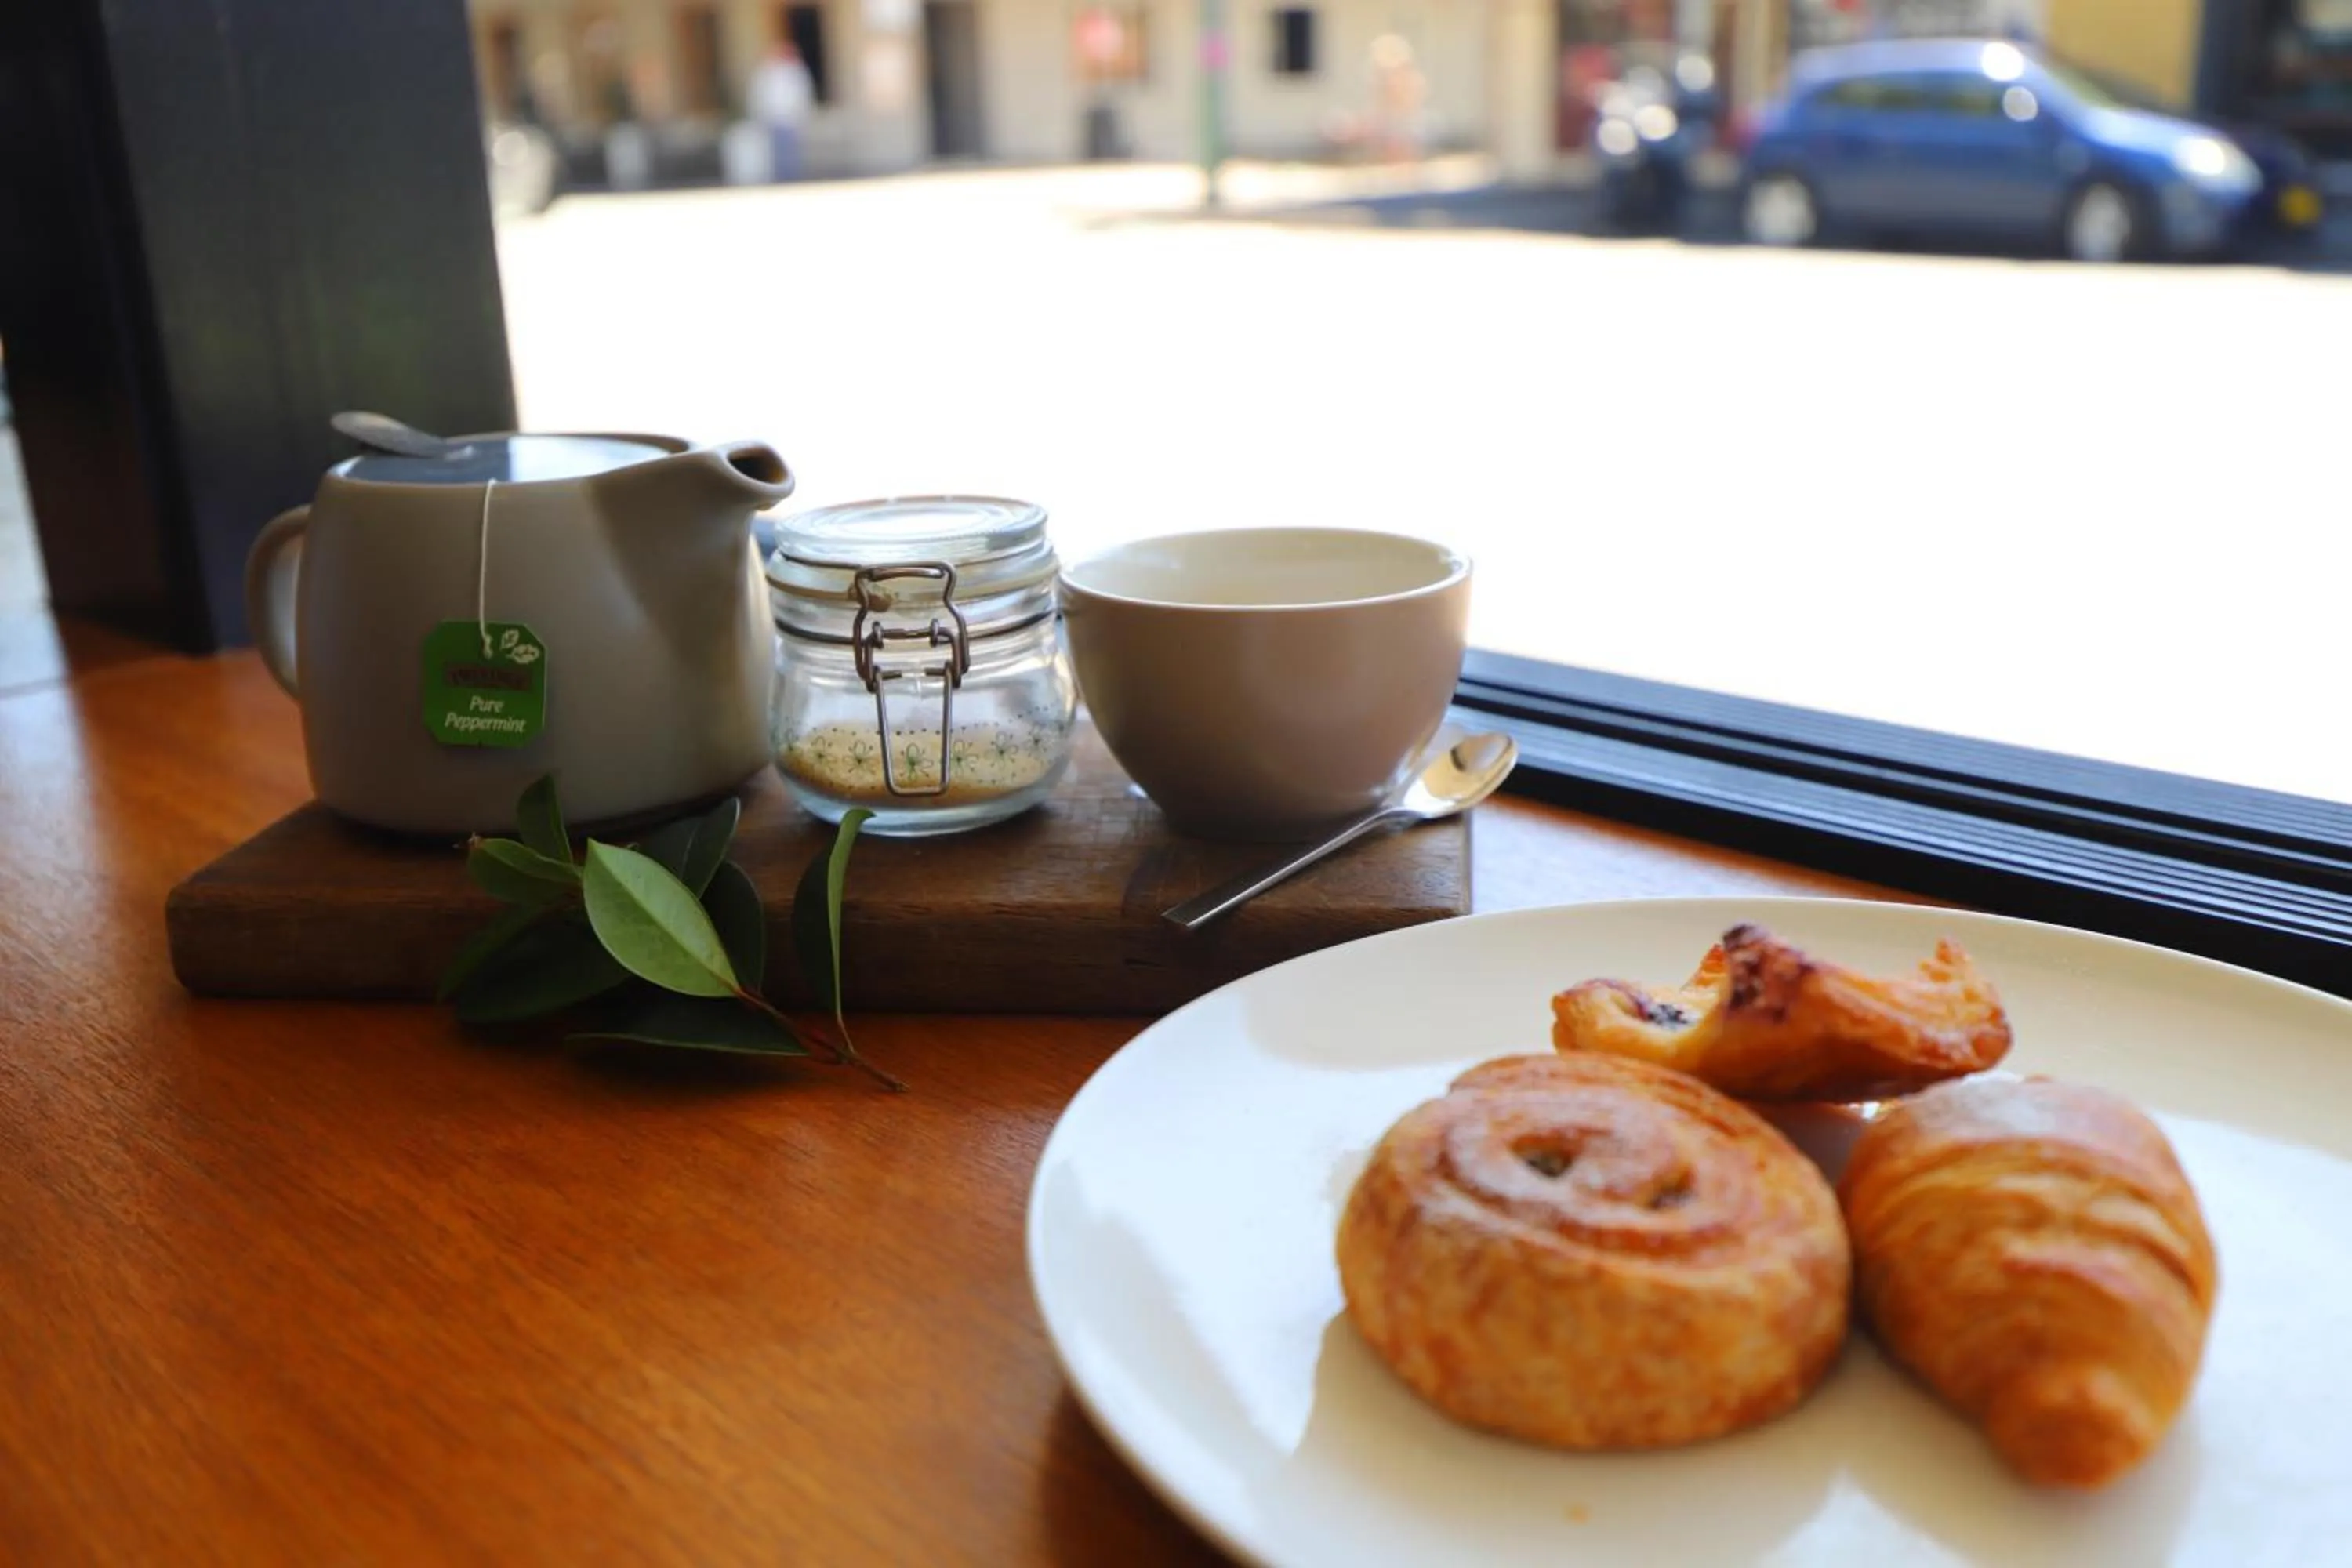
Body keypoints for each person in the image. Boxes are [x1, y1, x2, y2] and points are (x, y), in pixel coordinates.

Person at [750, 42, 816, 181]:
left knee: (791, 151)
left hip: (791, 119)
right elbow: (759, 96)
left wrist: (802, 115)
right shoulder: (767, 72)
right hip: (774, 118)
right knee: (777, 151)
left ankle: (793, 176)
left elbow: (802, 95)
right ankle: (781, 177)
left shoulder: (795, 72)